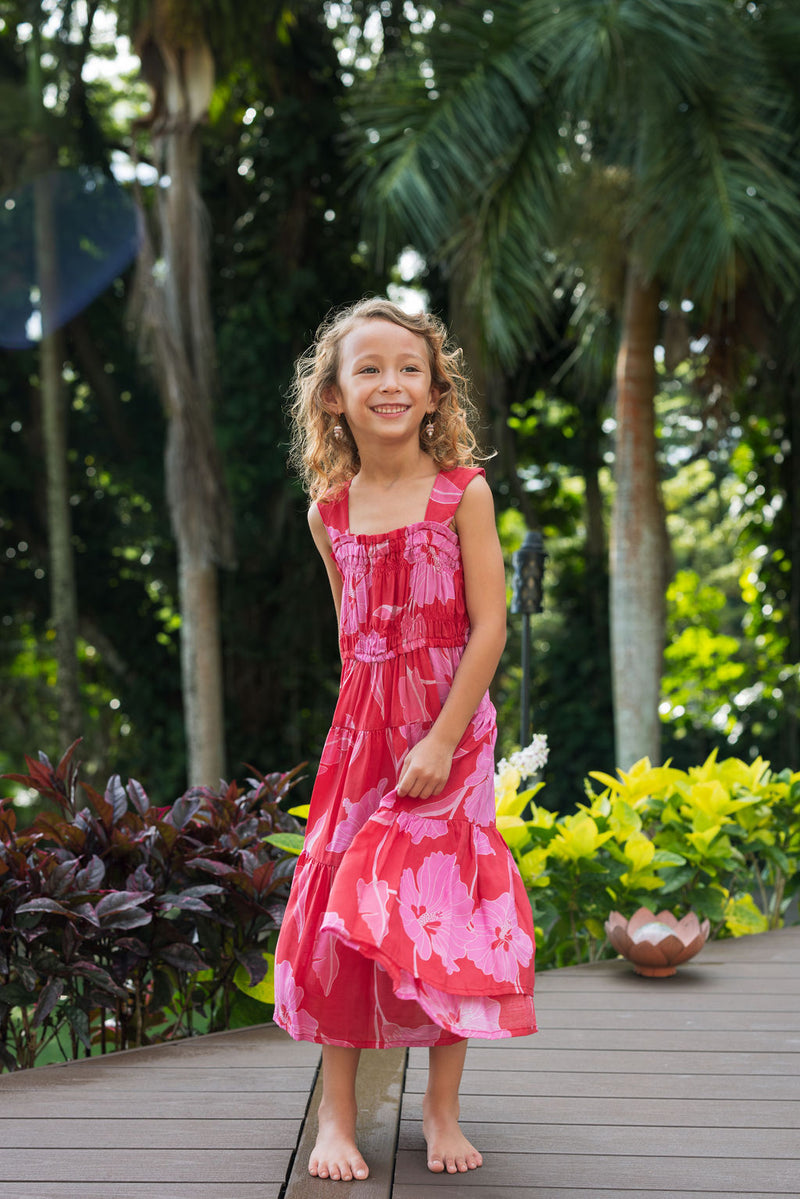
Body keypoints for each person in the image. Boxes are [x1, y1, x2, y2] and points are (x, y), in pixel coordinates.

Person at [273, 297, 537, 1181]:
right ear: (335, 398)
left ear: (435, 393)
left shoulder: (464, 492)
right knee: (341, 913)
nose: (391, 383)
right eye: (369, 369)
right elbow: (355, 634)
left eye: (409, 369)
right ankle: (337, 1120)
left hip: (449, 731)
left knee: (444, 909)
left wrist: (441, 741)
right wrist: (377, 733)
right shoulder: (330, 513)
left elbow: (489, 629)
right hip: (362, 736)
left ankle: (440, 1108)